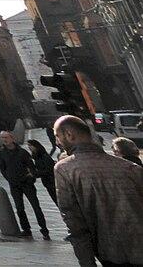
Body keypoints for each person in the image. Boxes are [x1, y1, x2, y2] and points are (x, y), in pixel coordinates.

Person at [52, 114, 143, 267]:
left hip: (112, 254)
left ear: (69, 134)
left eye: (57, 136)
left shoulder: (65, 169)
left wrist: (87, 262)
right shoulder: (130, 167)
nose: (57, 142)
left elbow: (75, 224)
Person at [0, 130, 50, 239]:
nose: (4, 140)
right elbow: (2, 168)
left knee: (36, 207)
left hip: (26, 183)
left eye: (6, 137)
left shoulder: (22, 152)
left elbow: (31, 167)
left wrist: (30, 178)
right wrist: (10, 178)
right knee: (19, 208)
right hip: (14, 185)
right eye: (2, 138)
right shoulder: (2, 153)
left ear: (12, 138)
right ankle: (26, 229)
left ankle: (44, 230)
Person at [27, 138, 57, 202]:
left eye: (30, 145)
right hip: (47, 183)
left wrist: (35, 174)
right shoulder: (36, 157)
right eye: (28, 145)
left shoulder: (44, 157)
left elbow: (48, 170)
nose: (29, 147)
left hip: (52, 182)